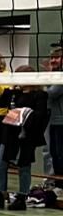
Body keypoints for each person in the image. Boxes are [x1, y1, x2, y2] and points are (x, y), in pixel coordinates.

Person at [0, 69, 49, 209]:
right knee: (0, 165)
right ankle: (0, 195)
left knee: (24, 167)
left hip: (26, 136)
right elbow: (0, 103)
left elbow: (40, 115)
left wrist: (23, 114)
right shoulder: (14, 93)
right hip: (9, 134)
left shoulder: (39, 95)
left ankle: (22, 197)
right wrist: (10, 89)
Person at [46, 47, 63, 179]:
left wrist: (45, 80)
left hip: (61, 121)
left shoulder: (60, 77)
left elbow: (51, 93)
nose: (53, 60)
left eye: (56, 57)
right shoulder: (55, 75)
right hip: (53, 120)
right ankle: (57, 183)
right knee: (54, 153)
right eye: (51, 58)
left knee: (60, 153)